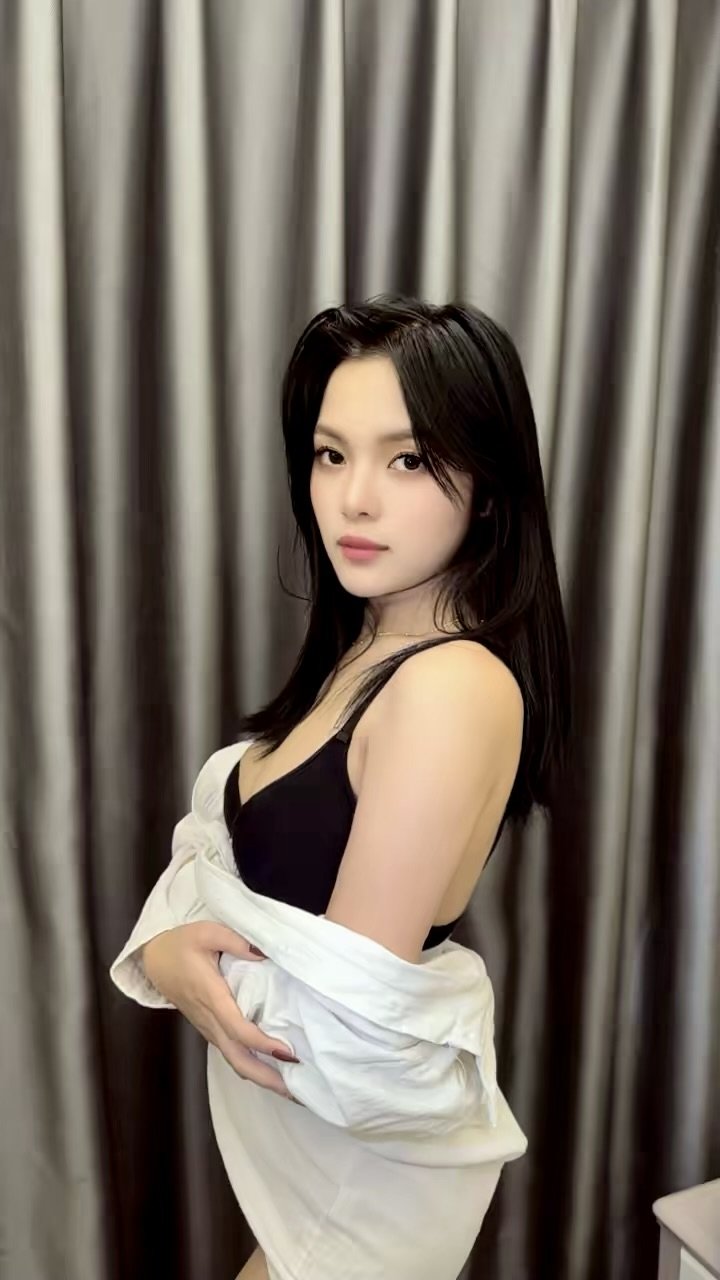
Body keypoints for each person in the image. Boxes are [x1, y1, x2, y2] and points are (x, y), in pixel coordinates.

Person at [111, 296, 571, 1280]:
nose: (353, 499)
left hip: (357, 1200)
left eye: (408, 459)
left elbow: (341, 1029)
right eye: (331, 454)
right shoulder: (368, 650)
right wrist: (171, 942)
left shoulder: (450, 684)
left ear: (488, 486)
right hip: (312, 1188)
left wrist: (178, 956)